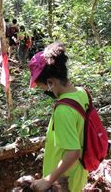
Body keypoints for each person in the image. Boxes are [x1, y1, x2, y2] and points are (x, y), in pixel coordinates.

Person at [28, 42, 89, 191]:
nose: (42, 90)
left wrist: (48, 180)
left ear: (51, 83)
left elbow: (73, 152)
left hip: (63, 182)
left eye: (42, 87)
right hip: (78, 173)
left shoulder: (63, 110)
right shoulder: (82, 93)